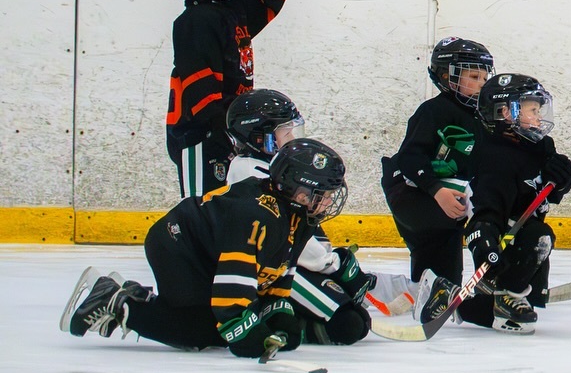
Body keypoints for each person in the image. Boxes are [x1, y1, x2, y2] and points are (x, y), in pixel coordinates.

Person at [62, 138, 363, 356]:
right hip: (178, 246)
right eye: (322, 193)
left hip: (206, 252)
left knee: (222, 326)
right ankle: (119, 299)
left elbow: (279, 270)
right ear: (299, 190)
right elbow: (231, 300)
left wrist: (277, 315)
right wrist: (248, 336)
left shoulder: (297, 217)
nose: (328, 201)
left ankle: (130, 301)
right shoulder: (258, 216)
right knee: (201, 331)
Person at [226, 90, 415, 323]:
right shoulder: (252, 177)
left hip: (275, 265)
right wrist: (334, 265)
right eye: (285, 130)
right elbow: (290, 243)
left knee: (341, 285)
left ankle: (405, 290)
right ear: (259, 136)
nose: (292, 136)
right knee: (348, 320)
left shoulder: (265, 168)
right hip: (260, 273)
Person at [432, 73, 571, 334]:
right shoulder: (492, 156)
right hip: (499, 243)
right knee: (539, 236)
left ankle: (480, 297)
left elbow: (547, 193)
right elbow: (484, 210)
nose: (538, 115)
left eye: (538, 108)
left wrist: (561, 179)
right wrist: (483, 241)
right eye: (531, 109)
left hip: (523, 238)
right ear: (505, 112)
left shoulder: (540, 146)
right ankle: (495, 290)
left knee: (508, 315)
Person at [158, 0, 285, 199]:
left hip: (226, 130)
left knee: (231, 208)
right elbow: (201, 93)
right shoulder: (195, 22)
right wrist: (223, 134)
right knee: (201, 209)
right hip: (200, 136)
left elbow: (270, 0)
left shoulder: (230, 11)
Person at [381, 38, 495, 306]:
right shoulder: (434, 111)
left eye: (484, 76)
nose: (482, 83)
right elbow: (409, 158)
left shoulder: (483, 116)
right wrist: (436, 190)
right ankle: (403, 290)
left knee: (443, 277)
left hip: (447, 193)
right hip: (411, 192)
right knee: (441, 230)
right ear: (448, 77)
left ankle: (423, 291)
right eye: (474, 76)